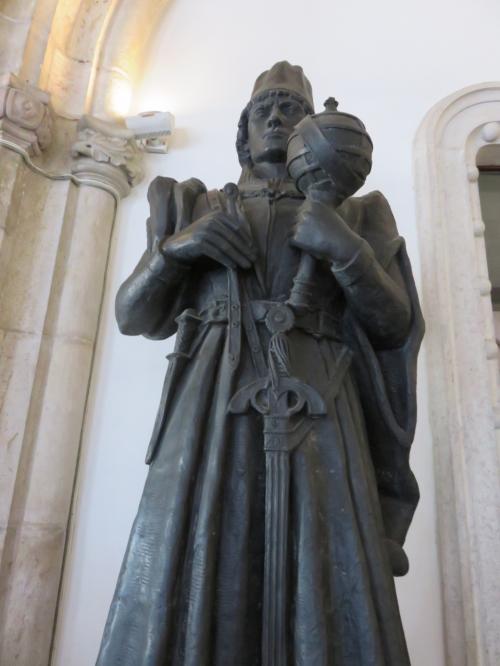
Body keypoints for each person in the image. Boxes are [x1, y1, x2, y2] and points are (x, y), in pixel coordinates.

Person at [97, 61, 424, 666]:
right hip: (209, 407)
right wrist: (176, 251)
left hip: (320, 404)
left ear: (312, 133)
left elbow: (393, 325)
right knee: (198, 550)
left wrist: (344, 249)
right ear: (243, 132)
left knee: (325, 556)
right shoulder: (193, 205)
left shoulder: (357, 214)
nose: (275, 117)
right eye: (262, 109)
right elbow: (133, 316)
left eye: (291, 108)